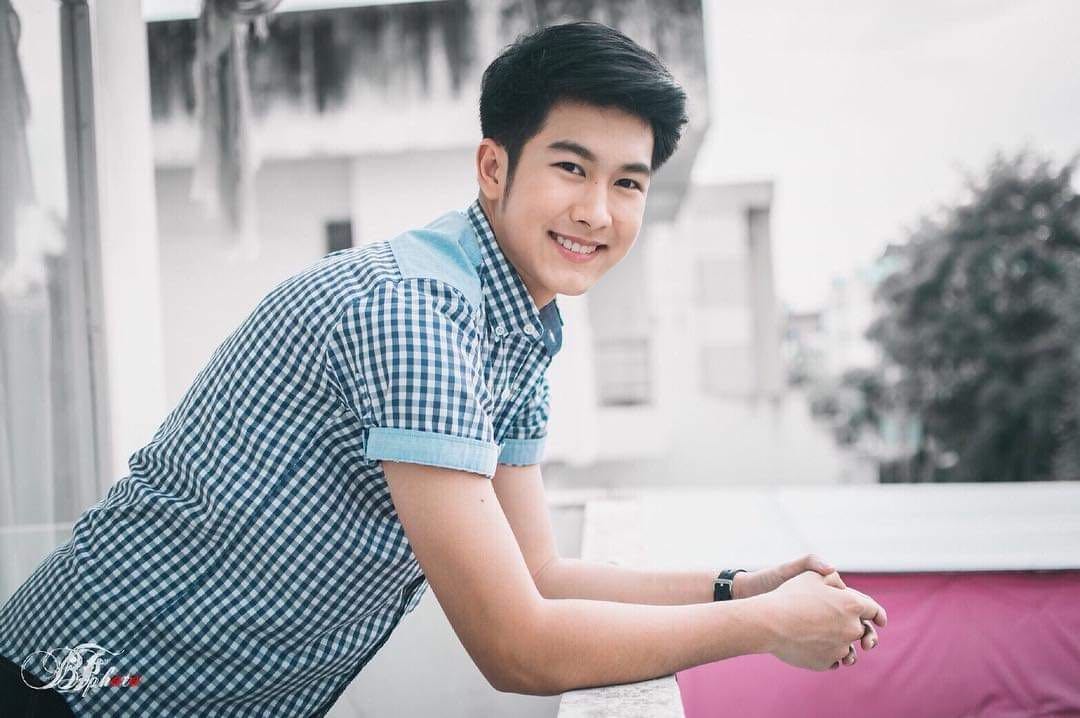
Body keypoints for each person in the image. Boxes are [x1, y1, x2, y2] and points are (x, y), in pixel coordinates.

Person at [0, 20, 886, 716]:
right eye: (570, 167)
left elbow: (540, 574)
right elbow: (518, 648)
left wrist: (736, 587)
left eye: (627, 182)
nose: (597, 210)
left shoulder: (517, 327)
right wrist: (763, 626)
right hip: (79, 687)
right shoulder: (418, 314)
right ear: (494, 167)